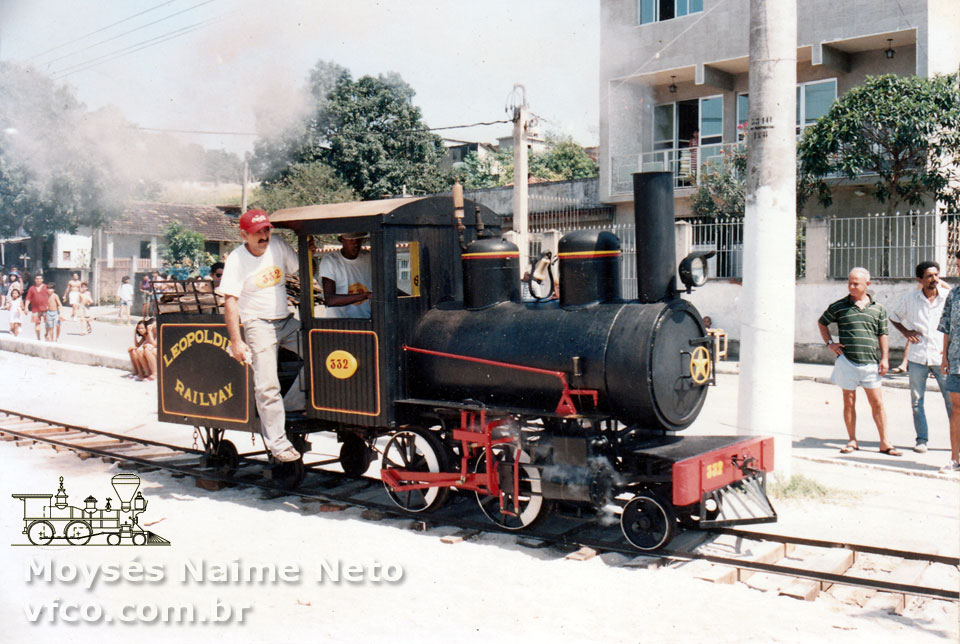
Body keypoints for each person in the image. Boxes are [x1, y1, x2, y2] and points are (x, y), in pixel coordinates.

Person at [219, 209, 304, 463]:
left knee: (322, 355)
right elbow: (230, 301)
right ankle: (278, 444)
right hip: (258, 324)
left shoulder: (277, 245)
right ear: (244, 235)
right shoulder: (236, 259)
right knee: (267, 385)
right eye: (258, 232)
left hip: (286, 321)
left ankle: (289, 405)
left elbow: (300, 267)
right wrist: (237, 340)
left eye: (266, 230)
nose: (264, 235)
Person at [817, 267, 902, 456]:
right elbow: (822, 322)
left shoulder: (878, 309)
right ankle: (852, 440)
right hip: (847, 361)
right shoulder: (839, 306)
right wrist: (830, 343)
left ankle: (885, 442)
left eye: (856, 283)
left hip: (871, 363)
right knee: (849, 401)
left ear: (867, 285)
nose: (852, 286)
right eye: (850, 282)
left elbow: (883, 334)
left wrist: (885, 359)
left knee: (877, 403)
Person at [888, 261, 952, 453]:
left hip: (942, 357)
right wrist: (906, 332)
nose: (934, 280)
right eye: (929, 276)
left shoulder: (947, 298)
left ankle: (956, 442)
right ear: (920, 280)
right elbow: (894, 316)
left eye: (936, 275)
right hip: (918, 357)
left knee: (952, 401)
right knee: (917, 401)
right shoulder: (910, 299)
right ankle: (922, 439)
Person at [937, 253, 960, 474]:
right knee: (956, 411)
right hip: (956, 362)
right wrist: (944, 357)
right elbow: (946, 328)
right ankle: (955, 458)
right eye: (959, 266)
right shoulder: (954, 295)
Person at [318, 232, 372, 318]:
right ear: (341, 239)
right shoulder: (330, 261)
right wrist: (365, 295)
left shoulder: (369, 257)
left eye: (359, 238)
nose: (356, 242)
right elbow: (330, 300)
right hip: (340, 323)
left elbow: (383, 284)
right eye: (351, 239)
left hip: (365, 320)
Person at [24, 275, 48, 341]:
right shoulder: (32, 288)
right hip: (35, 309)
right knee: (37, 325)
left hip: (46, 309)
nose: (38, 280)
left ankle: (46, 335)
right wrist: (26, 308)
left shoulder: (46, 287)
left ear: (42, 280)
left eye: (39, 279)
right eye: (36, 279)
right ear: (35, 280)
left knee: (47, 323)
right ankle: (38, 338)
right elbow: (28, 298)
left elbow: (50, 296)